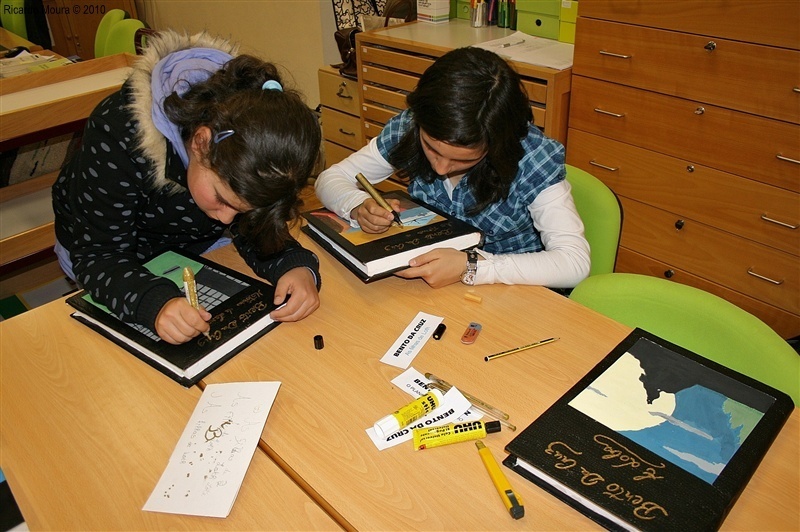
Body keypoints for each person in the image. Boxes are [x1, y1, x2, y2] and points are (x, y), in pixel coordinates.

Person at [52, 30, 323, 345]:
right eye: (221, 198)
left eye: (240, 208)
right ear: (201, 142)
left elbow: (252, 226)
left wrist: (293, 264)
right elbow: (98, 254)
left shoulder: (249, 140)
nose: (227, 219)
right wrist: (153, 302)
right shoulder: (118, 131)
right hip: (108, 257)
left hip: (188, 250)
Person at [315, 46, 590, 289]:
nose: (441, 168)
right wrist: (357, 205)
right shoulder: (411, 126)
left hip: (515, 289)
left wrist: (472, 266)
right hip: (433, 281)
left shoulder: (532, 157)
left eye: (464, 160)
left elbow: (573, 263)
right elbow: (331, 178)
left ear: (495, 144)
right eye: (431, 148)